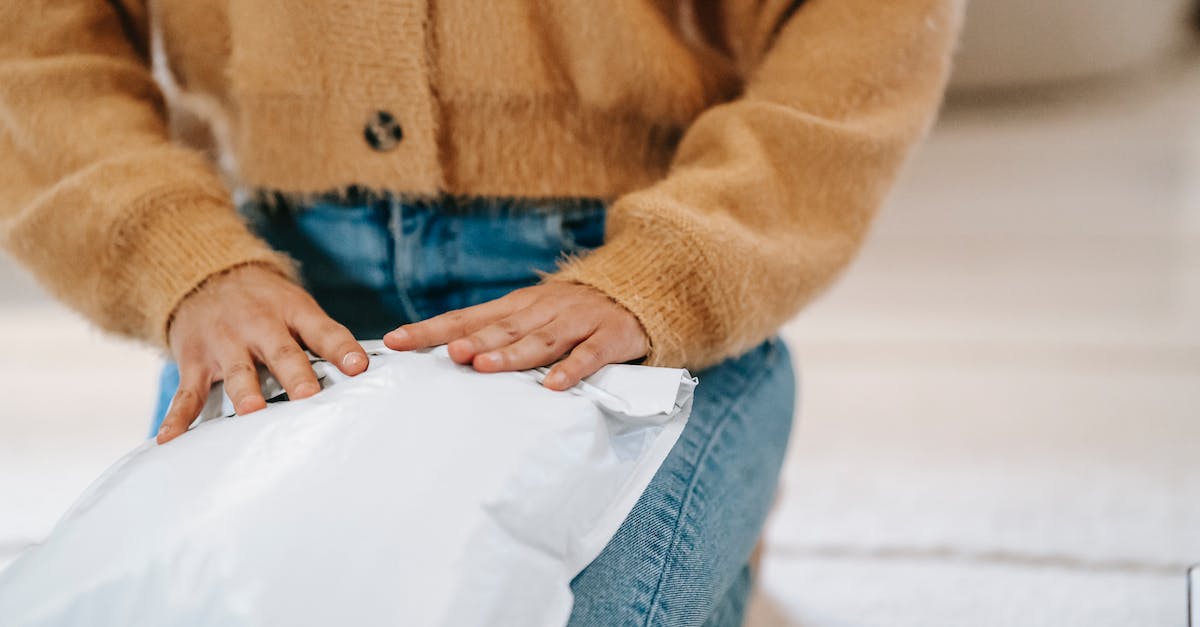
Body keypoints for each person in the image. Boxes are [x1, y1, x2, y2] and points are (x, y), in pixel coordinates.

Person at [0, 1, 961, 625]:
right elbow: (33, 38)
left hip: (629, 299)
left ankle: (718, 545)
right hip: (284, 292)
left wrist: (676, 271)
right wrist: (178, 255)